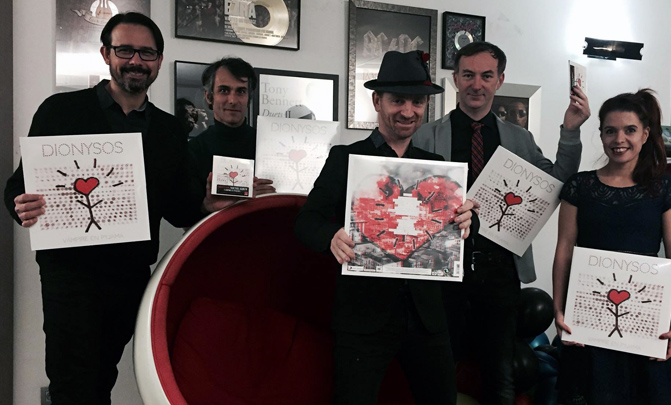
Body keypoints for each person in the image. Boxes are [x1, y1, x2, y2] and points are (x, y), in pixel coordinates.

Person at [3, 13, 230, 404]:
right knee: (70, 382)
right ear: (106, 54)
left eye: (146, 53)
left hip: (129, 275)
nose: (135, 61)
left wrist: (206, 203)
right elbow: (18, 186)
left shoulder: (169, 131)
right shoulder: (61, 110)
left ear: (159, 60)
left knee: (102, 377)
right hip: (70, 273)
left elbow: (178, 208)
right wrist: (20, 205)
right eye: (125, 50)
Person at [414, 41, 591, 404]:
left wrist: (570, 130)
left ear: (500, 80)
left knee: (500, 376)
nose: (476, 84)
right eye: (468, 75)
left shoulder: (519, 139)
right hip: (440, 271)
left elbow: (557, 183)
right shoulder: (427, 135)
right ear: (455, 79)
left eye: (486, 76)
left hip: (500, 272)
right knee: (437, 373)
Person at [295, 50, 475, 404]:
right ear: (377, 101)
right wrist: (331, 237)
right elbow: (306, 221)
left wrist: (469, 220)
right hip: (363, 318)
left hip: (426, 318)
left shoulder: (437, 166)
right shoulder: (345, 158)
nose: (408, 111)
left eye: (417, 102)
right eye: (398, 100)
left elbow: (456, 235)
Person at [552, 89, 671, 404]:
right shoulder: (579, 186)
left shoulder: (666, 189)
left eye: (629, 130)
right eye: (610, 130)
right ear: (601, 135)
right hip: (590, 317)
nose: (619, 139)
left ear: (645, 134)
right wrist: (559, 308)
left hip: (650, 318)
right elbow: (564, 250)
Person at [187, 57, 275, 201]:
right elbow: (183, 212)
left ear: (249, 98)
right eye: (224, 90)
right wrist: (206, 206)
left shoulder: (270, 148)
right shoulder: (193, 151)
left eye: (241, 91)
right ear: (209, 97)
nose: (233, 100)